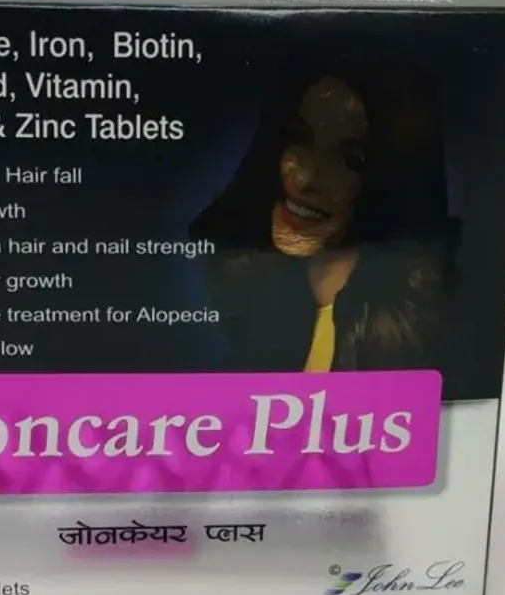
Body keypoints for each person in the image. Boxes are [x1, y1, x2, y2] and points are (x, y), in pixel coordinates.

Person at [189, 58, 461, 377]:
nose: (307, 179)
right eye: (299, 138)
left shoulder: (416, 334)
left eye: (349, 160)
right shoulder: (261, 305)